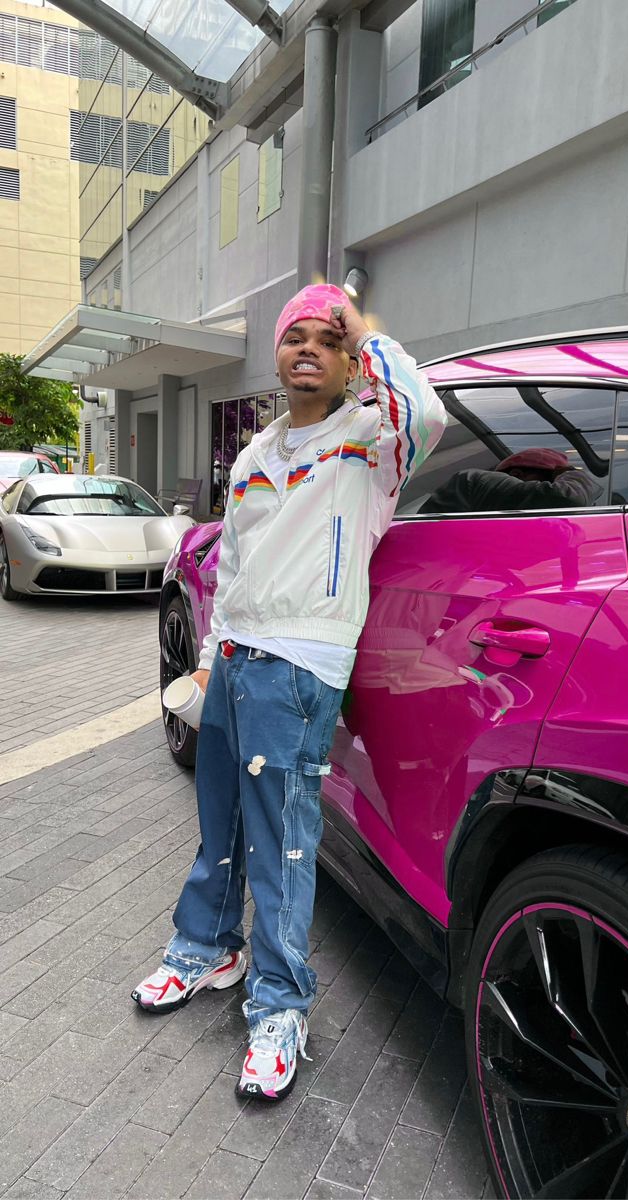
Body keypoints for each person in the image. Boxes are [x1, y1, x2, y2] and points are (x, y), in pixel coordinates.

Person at [132, 284, 447, 1102]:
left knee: (281, 843)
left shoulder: (371, 440)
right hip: (235, 659)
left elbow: (427, 412)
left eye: (325, 338)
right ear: (276, 354)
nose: (307, 347)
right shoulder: (252, 457)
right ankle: (206, 949)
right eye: (293, 336)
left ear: (346, 360)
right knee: (220, 819)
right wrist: (205, 663)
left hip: (301, 664)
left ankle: (279, 1005)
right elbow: (231, 574)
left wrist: (368, 329)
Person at [419, 447, 599, 514]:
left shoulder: (498, 506)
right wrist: (570, 472)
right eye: (549, 480)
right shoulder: (479, 480)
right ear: (518, 475)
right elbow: (568, 497)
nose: (543, 489)